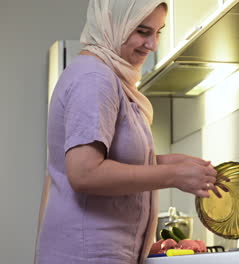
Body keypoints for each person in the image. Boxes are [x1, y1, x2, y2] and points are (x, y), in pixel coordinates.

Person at [34, 1, 218, 263]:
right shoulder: (94, 79)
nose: (152, 44)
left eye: (158, 32)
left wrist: (165, 161)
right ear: (113, 23)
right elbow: (84, 173)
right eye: (142, 31)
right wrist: (173, 175)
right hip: (86, 255)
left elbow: (106, 160)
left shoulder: (108, 76)